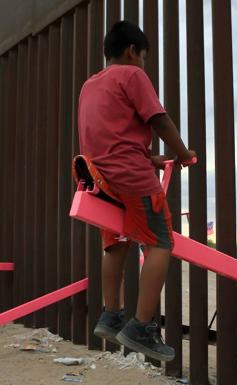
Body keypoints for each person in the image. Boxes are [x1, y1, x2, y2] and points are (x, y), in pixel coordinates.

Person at [78, 20, 195, 362]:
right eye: (143, 56)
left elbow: (107, 133)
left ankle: (111, 314)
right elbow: (158, 119)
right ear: (132, 51)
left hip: (100, 178)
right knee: (161, 241)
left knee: (117, 242)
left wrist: (149, 157)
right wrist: (183, 153)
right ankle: (141, 327)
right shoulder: (132, 75)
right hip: (130, 177)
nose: (143, 63)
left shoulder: (90, 84)